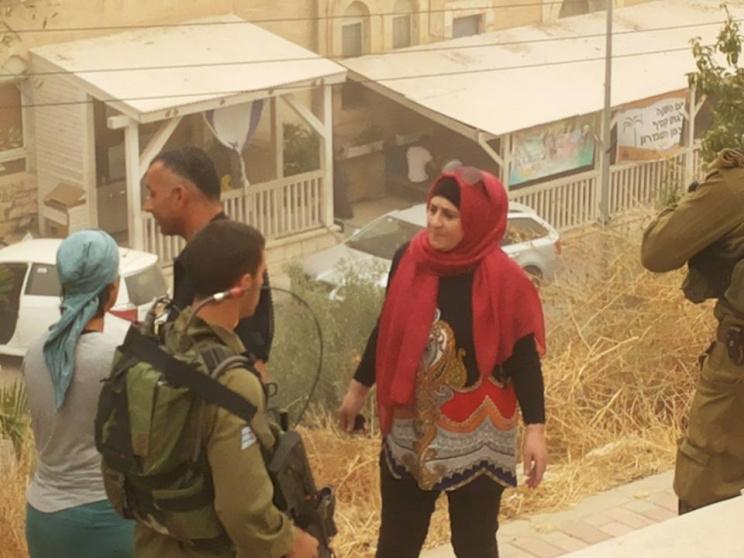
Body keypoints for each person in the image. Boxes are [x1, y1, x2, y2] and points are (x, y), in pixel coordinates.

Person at [338, 166, 548, 558]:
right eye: (432, 209)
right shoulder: (409, 259)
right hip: (410, 429)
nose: (435, 222)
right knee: (396, 544)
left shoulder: (506, 280)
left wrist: (535, 429)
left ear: (476, 220)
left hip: (479, 434)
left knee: (474, 545)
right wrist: (358, 389)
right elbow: (387, 328)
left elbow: (523, 360)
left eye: (449, 214)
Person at [134, 220, 319, 558]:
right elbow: (243, 511)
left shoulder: (163, 345)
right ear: (244, 283)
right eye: (261, 274)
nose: (263, 283)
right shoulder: (233, 382)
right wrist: (293, 543)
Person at [641, 147, 744, 514]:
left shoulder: (734, 187)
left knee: (704, 489)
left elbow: (657, 251)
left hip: (737, 372)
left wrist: (697, 194)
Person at [23, 230, 134, 558]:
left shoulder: (34, 353)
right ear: (112, 291)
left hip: (44, 519)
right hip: (106, 518)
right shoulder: (118, 356)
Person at [143, 146, 274, 374]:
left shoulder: (234, 258)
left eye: (152, 194)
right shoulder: (199, 257)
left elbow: (253, 364)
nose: (147, 206)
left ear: (179, 196)